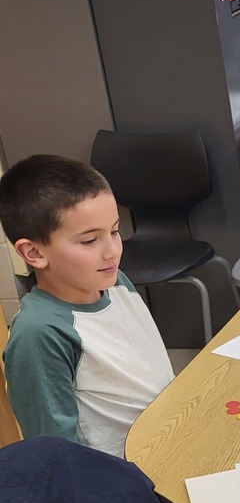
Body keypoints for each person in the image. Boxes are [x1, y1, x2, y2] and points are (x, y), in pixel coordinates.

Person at [0, 154, 174, 457]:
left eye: (115, 231)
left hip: (174, 435)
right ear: (33, 252)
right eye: (90, 240)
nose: (112, 252)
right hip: (127, 480)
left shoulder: (115, 281)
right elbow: (54, 452)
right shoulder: (39, 333)